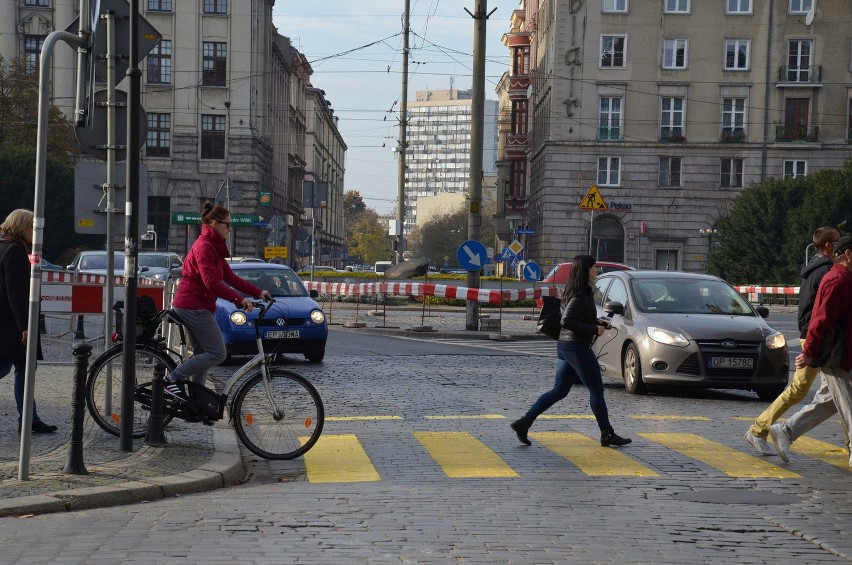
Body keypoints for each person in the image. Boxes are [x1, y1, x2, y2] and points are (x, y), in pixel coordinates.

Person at [511, 254, 631, 448]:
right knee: (596, 389)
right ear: (585, 270)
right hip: (577, 348)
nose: (596, 271)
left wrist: (597, 323)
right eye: (593, 268)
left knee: (559, 390)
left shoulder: (575, 291)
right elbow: (567, 320)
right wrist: (593, 329)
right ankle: (607, 433)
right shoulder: (580, 294)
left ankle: (523, 423)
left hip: (566, 347)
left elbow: (576, 318)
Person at [745, 226, 842, 455]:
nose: (841, 245)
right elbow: (820, 313)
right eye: (837, 241)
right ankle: (759, 429)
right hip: (817, 341)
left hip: (814, 339)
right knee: (799, 390)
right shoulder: (827, 272)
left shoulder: (814, 269)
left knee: (836, 396)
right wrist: (811, 343)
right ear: (828, 245)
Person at [164, 202, 271, 400]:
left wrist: (258, 292)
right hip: (193, 306)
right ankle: (171, 380)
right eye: (227, 224)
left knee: (203, 353)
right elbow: (211, 282)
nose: (230, 229)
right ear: (214, 223)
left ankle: (195, 400)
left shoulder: (213, 247)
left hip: (197, 304)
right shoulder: (204, 247)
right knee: (217, 353)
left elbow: (230, 278)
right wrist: (240, 300)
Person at [768, 234, 852, 466]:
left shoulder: (845, 277)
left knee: (829, 401)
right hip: (835, 353)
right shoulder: (837, 280)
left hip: (842, 352)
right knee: (847, 402)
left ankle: (786, 430)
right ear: (848, 254)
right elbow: (820, 320)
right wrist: (809, 352)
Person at [0, 209, 57, 434]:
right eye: (32, 227)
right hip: (12, 324)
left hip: (7, 321)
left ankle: (29, 417)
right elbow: (16, 292)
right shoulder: (14, 250)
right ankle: (28, 418)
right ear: (22, 226)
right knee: (14, 367)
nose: (35, 232)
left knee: (24, 368)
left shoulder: (4, 244)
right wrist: (25, 326)